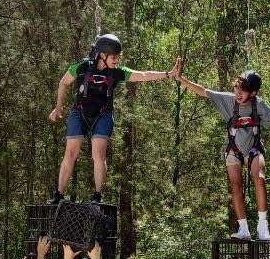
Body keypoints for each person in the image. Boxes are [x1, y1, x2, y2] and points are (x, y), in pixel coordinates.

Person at [176, 68, 270, 239]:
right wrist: (180, 78)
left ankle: (263, 227)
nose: (239, 93)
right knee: (235, 185)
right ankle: (243, 229)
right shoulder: (228, 100)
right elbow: (203, 91)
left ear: (253, 93)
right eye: (237, 88)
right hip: (233, 148)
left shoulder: (259, 105)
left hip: (254, 147)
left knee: (260, 178)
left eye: (244, 90)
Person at [48, 34, 182, 202]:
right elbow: (63, 82)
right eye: (114, 57)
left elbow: (143, 75)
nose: (117, 60)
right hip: (79, 112)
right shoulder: (82, 67)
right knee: (71, 153)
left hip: (103, 114)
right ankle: (59, 194)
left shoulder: (117, 72)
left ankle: (97, 196)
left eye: (118, 57)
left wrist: (169, 74)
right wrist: (58, 107)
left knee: (98, 154)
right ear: (102, 55)